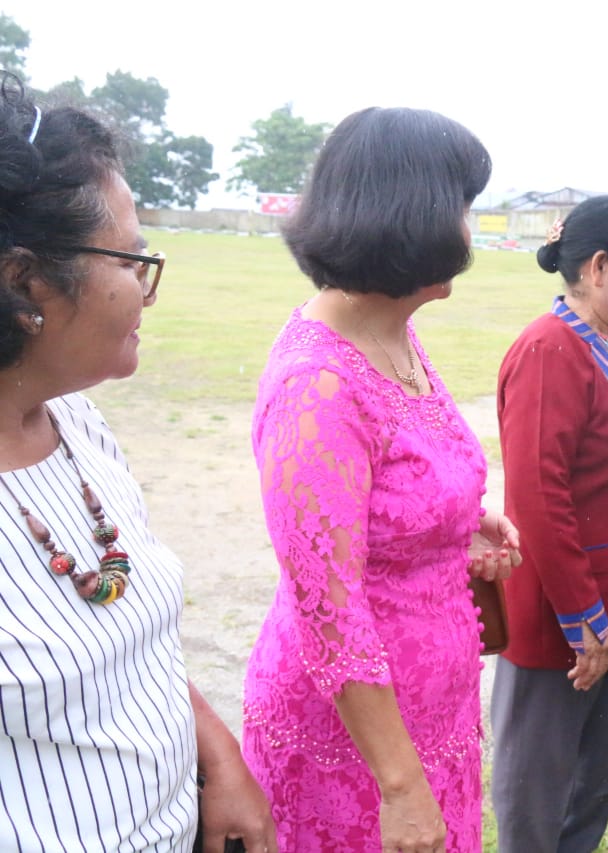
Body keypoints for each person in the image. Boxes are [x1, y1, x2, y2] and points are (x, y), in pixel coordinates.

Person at [0, 74, 276, 851]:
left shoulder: (80, 424)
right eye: (129, 259)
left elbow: (134, 640)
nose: (147, 289)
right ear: (25, 284)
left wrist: (218, 754)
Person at [243, 106, 518, 853]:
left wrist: (463, 521)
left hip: (435, 714)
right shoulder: (317, 385)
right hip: (359, 745)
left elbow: (395, 482)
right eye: (464, 206)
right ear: (415, 217)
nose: (471, 228)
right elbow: (327, 607)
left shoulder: (393, 328)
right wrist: (400, 786)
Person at [490, 196, 608, 851]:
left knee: (592, 780)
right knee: (538, 785)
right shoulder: (549, 349)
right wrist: (583, 616)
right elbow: (538, 497)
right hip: (569, 612)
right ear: (599, 266)